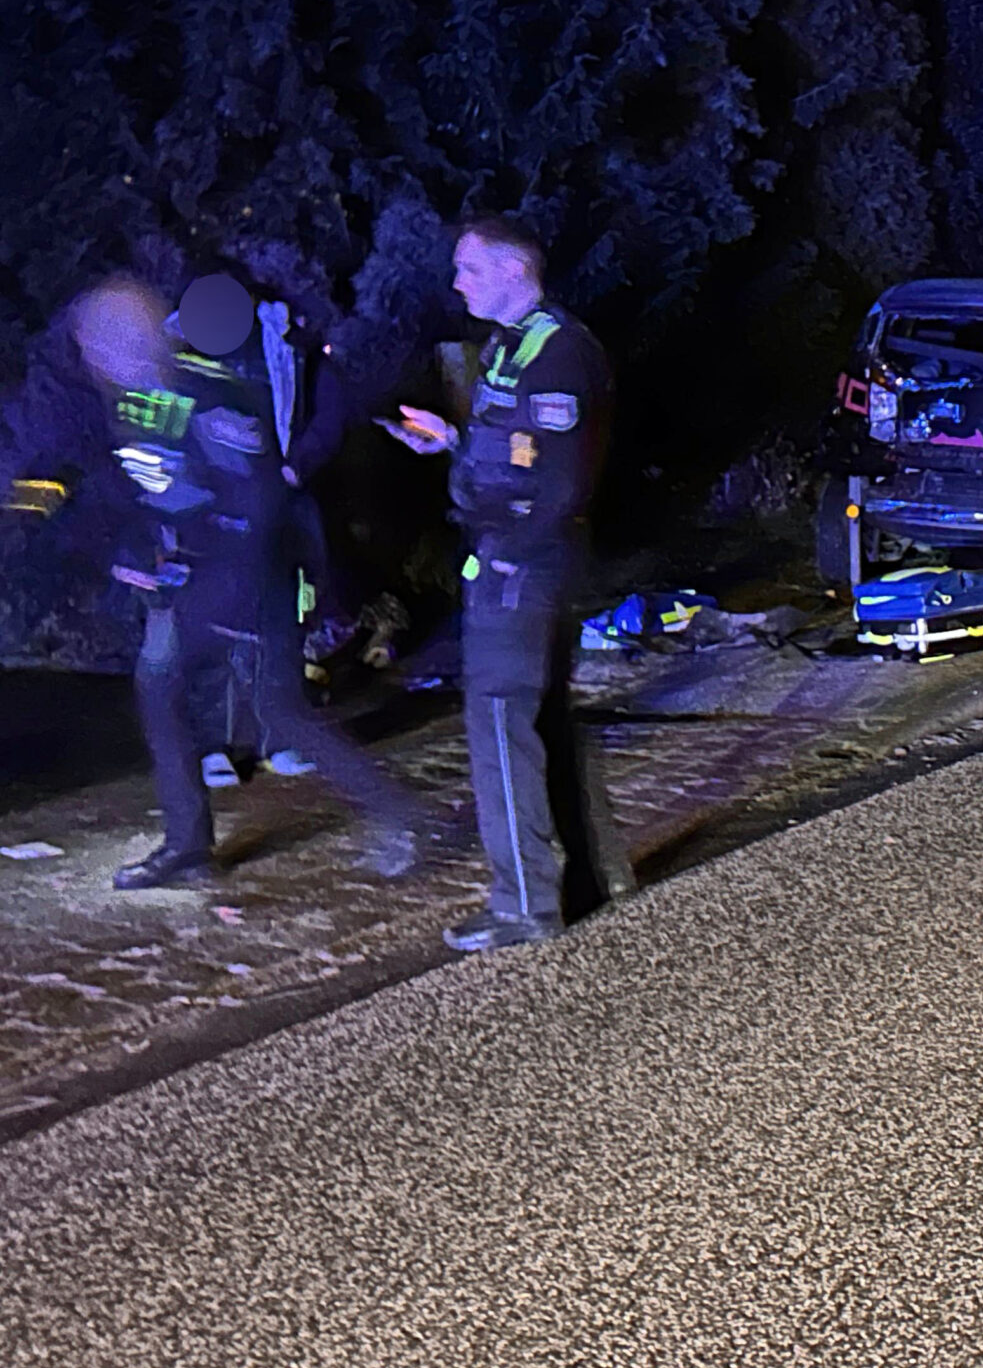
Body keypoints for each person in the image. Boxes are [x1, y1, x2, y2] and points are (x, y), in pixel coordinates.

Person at [71, 275, 423, 891]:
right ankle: (187, 846)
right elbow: (140, 486)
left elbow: (258, 502)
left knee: (277, 713)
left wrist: (223, 597)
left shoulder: (209, 393)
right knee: (164, 688)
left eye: (99, 343)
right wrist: (136, 554)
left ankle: (405, 819)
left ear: (135, 336)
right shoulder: (129, 398)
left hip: (253, 573)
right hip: (193, 574)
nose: (92, 360)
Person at [382, 218, 628, 951]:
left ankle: (523, 903)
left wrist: (509, 557)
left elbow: (559, 480)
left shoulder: (558, 353)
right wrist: (450, 442)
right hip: (514, 555)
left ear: (515, 269)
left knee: (498, 725)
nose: (457, 282)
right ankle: (591, 881)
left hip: (521, 564)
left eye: (470, 269)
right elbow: (512, 451)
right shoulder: (510, 347)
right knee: (537, 722)